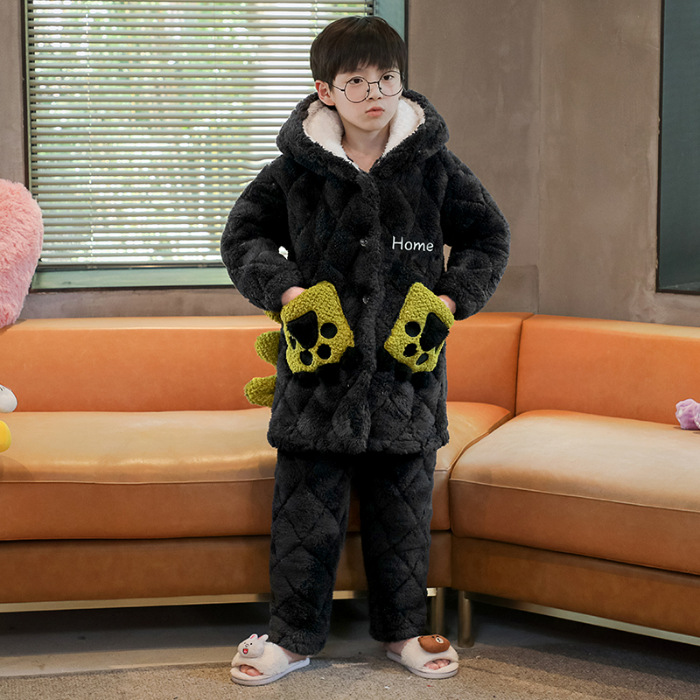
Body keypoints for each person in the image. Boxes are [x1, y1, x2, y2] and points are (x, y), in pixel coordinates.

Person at [221, 15, 509, 686]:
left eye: (387, 78)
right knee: (303, 515)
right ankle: (291, 639)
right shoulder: (295, 171)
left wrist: (448, 302)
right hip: (317, 380)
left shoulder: (435, 168)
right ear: (326, 91)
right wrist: (289, 293)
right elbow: (243, 237)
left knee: (403, 516)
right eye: (356, 81)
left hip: (408, 377)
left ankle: (405, 631)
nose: (374, 93)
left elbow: (488, 238)